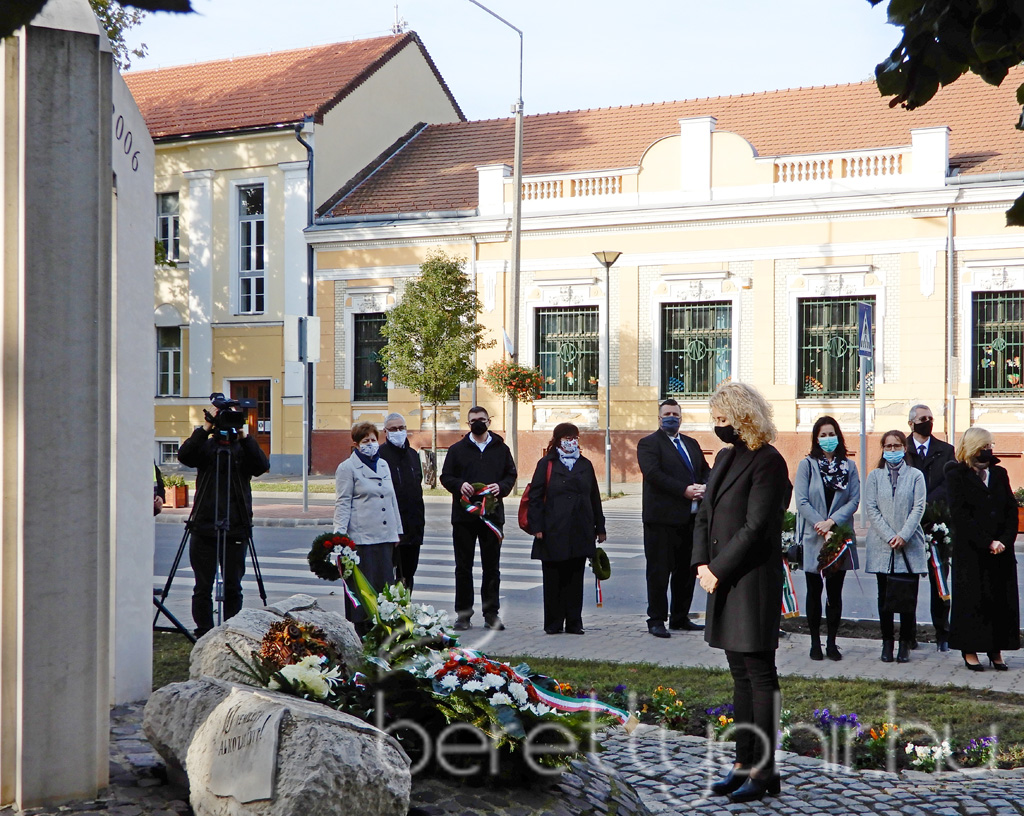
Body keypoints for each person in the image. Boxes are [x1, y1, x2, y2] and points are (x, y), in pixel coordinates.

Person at [693, 382, 791, 804]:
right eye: (715, 421)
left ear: (743, 417)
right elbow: (705, 514)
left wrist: (718, 569)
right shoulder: (726, 457)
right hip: (721, 578)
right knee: (739, 678)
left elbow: (755, 527)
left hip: (750, 581)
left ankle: (765, 770)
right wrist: (701, 564)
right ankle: (742, 762)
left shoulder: (768, 462)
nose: (718, 428)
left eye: (722, 420)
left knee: (760, 676)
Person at [177, 394, 270, 637]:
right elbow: (184, 456)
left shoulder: (242, 448)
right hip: (204, 526)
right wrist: (205, 427)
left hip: (236, 527)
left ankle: (231, 633)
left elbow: (261, 466)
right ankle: (204, 634)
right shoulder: (207, 447)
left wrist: (246, 437)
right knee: (202, 587)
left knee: (233, 587)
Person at [945, 427, 1020, 671]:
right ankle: (970, 650)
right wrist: (987, 541)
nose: (989, 450)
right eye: (985, 446)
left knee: (999, 602)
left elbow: (1010, 510)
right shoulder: (956, 474)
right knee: (973, 602)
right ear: (973, 448)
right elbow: (960, 515)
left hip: (1000, 551)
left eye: (991, 445)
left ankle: (996, 650)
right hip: (972, 552)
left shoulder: (999, 473)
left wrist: (1004, 541)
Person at [637, 398, 711, 638]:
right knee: (659, 573)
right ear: (659, 418)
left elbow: (705, 470)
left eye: (676, 414)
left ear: (681, 417)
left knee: (685, 573)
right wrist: (684, 490)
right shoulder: (648, 444)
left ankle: (680, 617)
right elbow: (653, 474)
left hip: (690, 520)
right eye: (667, 414)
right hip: (661, 521)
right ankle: (656, 620)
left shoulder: (691, 443)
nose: (672, 417)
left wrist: (704, 486)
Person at [440, 406, 517, 631]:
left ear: (489, 421)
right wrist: (458, 485)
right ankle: (463, 615)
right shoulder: (457, 449)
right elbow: (446, 476)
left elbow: (511, 475)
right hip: (464, 518)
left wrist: (500, 487)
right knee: (463, 568)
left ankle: (491, 614)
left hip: (492, 518)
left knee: (491, 568)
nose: (478, 423)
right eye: (473, 420)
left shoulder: (501, 449)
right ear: (468, 423)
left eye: (481, 419)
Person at [527, 423, 607, 635]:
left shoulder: (585, 464)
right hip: (553, 529)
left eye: (574, 437)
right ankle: (553, 623)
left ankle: (574, 622)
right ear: (557, 440)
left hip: (580, 529)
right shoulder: (547, 463)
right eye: (567, 437)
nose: (571, 441)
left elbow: (594, 496)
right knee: (553, 578)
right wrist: (537, 527)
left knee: (575, 577)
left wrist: (600, 527)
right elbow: (535, 496)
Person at [793, 416, 860, 662]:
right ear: (815, 438)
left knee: (835, 593)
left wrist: (832, 523)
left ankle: (832, 643)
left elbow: (854, 500)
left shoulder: (849, 467)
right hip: (814, 537)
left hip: (840, 537)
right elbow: (802, 501)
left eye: (831, 434)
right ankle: (814, 643)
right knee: (814, 591)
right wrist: (821, 526)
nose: (827, 439)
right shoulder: (807, 465)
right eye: (822, 435)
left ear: (838, 436)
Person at [863, 430, 927, 665]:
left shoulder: (916, 475)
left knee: (907, 598)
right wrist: (890, 535)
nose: (892, 450)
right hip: (882, 545)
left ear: (904, 448)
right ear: (882, 448)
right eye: (888, 446)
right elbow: (871, 508)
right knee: (885, 598)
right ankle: (887, 642)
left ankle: (905, 643)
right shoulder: (874, 476)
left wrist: (903, 535)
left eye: (896, 446)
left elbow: (918, 508)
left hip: (908, 545)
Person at [334, 422, 403, 636]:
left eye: (374, 440)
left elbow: (392, 499)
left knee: (384, 586)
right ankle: (362, 631)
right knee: (363, 588)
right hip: (361, 538)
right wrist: (339, 536)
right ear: (356, 444)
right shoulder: (347, 467)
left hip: (385, 536)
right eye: (366, 441)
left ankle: (383, 630)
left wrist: (397, 530)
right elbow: (343, 502)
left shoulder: (383, 464)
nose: (371, 444)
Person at [904, 403, 956, 651]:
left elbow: (950, 484)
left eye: (930, 418)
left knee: (939, 583)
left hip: (937, 526)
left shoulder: (946, 450)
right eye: (923, 418)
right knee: (908, 585)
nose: (928, 421)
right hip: (908, 525)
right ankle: (909, 634)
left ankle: (942, 633)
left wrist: (927, 502)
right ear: (911, 423)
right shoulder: (900, 448)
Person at [378, 412, 425, 590]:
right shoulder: (379, 456)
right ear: (386, 432)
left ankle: (405, 612)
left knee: (408, 576)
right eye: (394, 429)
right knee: (388, 577)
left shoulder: (413, 455)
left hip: (413, 527)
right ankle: (387, 614)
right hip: (390, 528)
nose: (398, 432)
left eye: (401, 428)